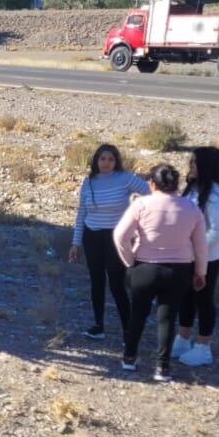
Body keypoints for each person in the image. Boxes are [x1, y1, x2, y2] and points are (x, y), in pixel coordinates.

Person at [114, 163, 208, 381]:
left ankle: (129, 358)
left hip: (145, 266)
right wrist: (200, 272)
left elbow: (120, 235)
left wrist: (129, 260)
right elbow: (201, 245)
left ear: (152, 183)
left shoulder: (141, 204)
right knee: (167, 318)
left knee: (138, 313)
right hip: (178, 270)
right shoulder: (191, 208)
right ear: (176, 184)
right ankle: (162, 368)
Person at [68, 143, 147, 339]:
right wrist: (75, 242)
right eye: (102, 158)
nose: (106, 163)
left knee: (117, 283)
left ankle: (128, 329)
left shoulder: (125, 178)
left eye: (110, 159)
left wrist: (137, 220)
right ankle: (98, 325)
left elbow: (150, 193)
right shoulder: (89, 182)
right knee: (96, 280)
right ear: (96, 160)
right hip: (91, 235)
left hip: (116, 237)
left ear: (116, 161)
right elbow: (81, 213)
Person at [173, 146, 219, 367]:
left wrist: (193, 249)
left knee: (204, 299)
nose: (191, 167)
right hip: (190, 256)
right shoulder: (193, 188)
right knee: (186, 297)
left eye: (195, 163)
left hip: (207, 258)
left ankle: (203, 346)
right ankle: (182, 338)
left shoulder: (216, 196)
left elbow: (217, 232)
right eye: (191, 162)